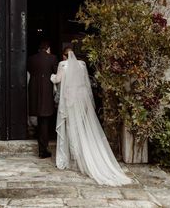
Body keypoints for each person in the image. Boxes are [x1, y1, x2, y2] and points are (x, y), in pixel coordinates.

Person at [50, 45, 132, 186]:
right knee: (81, 125)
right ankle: (80, 155)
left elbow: (57, 80)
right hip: (82, 98)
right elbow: (86, 83)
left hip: (70, 99)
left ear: (64, 56)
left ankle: (74, 156)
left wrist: (51, 77)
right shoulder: (82, 65)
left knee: (71, 127)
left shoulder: (63, 64)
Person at [27, 41, 58, 158]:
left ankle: (42, 147)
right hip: (46, 92)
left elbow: (30, 71)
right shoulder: (52, 58)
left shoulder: (31, 59)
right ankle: (42, 150)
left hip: (34, 91)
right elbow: (55, 74)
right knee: (44, 121)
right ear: (48, 49)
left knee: (40, 119)